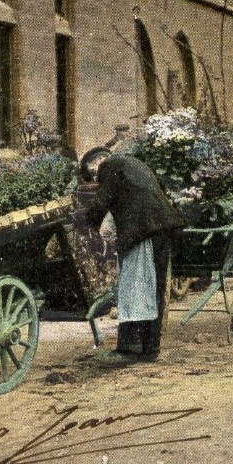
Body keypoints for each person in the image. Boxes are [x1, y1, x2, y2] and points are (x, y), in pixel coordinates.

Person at [80, 147, 185, 364]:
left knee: (134, 288)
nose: (95, 179)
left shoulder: (109, 165)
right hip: (159, 228)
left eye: (92, 173)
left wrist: (84, 222)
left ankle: (129, 349)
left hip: (143, 230)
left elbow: (102, 201)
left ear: (98, 160)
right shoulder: (133, 164)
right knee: (152, 288)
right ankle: (149, 348)